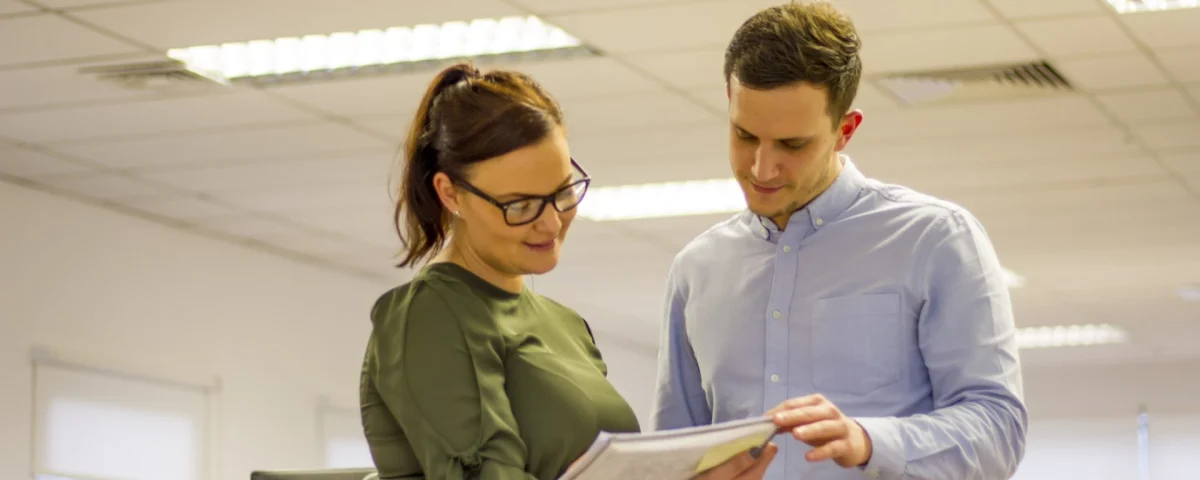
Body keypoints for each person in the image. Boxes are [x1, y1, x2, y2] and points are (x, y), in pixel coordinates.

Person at [651, 3, 1028, 480]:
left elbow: (999, 429)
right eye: (745, 135)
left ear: (845, 131)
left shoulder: (934, 241)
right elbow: (673, 451)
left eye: (792, 145)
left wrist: (871, 442)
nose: (761, 168)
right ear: (728, 99)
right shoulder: (696, 269)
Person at [359, 62, 777, 480]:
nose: (551, 222)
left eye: (562, 192)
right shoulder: (431, 314)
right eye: (519, 205)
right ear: (450, 194)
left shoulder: (566, 326)